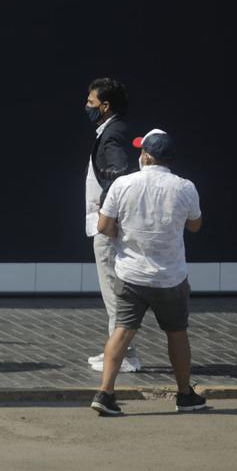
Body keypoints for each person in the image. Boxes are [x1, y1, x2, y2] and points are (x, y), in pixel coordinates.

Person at [90, 129, 205, 416]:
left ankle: (105, 393)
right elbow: (195, 226)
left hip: (131, 274)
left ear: (146, 156)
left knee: (122, 331)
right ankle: (184, 394)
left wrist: (122, 237)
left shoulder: (123, 184)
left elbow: (103, 226)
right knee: (177, 334)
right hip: (170, 277)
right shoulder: (185, 187)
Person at [83, 77, 140, 373]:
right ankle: (114, 351)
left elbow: (117, 176)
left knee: (113, 292)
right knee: (113, 291)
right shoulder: (110, 130)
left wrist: (108, 216)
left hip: (105, 225)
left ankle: (124, 356)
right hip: (103, 222)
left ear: (105, 106)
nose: (87, 107)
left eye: (91, 103)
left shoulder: (112, 135)